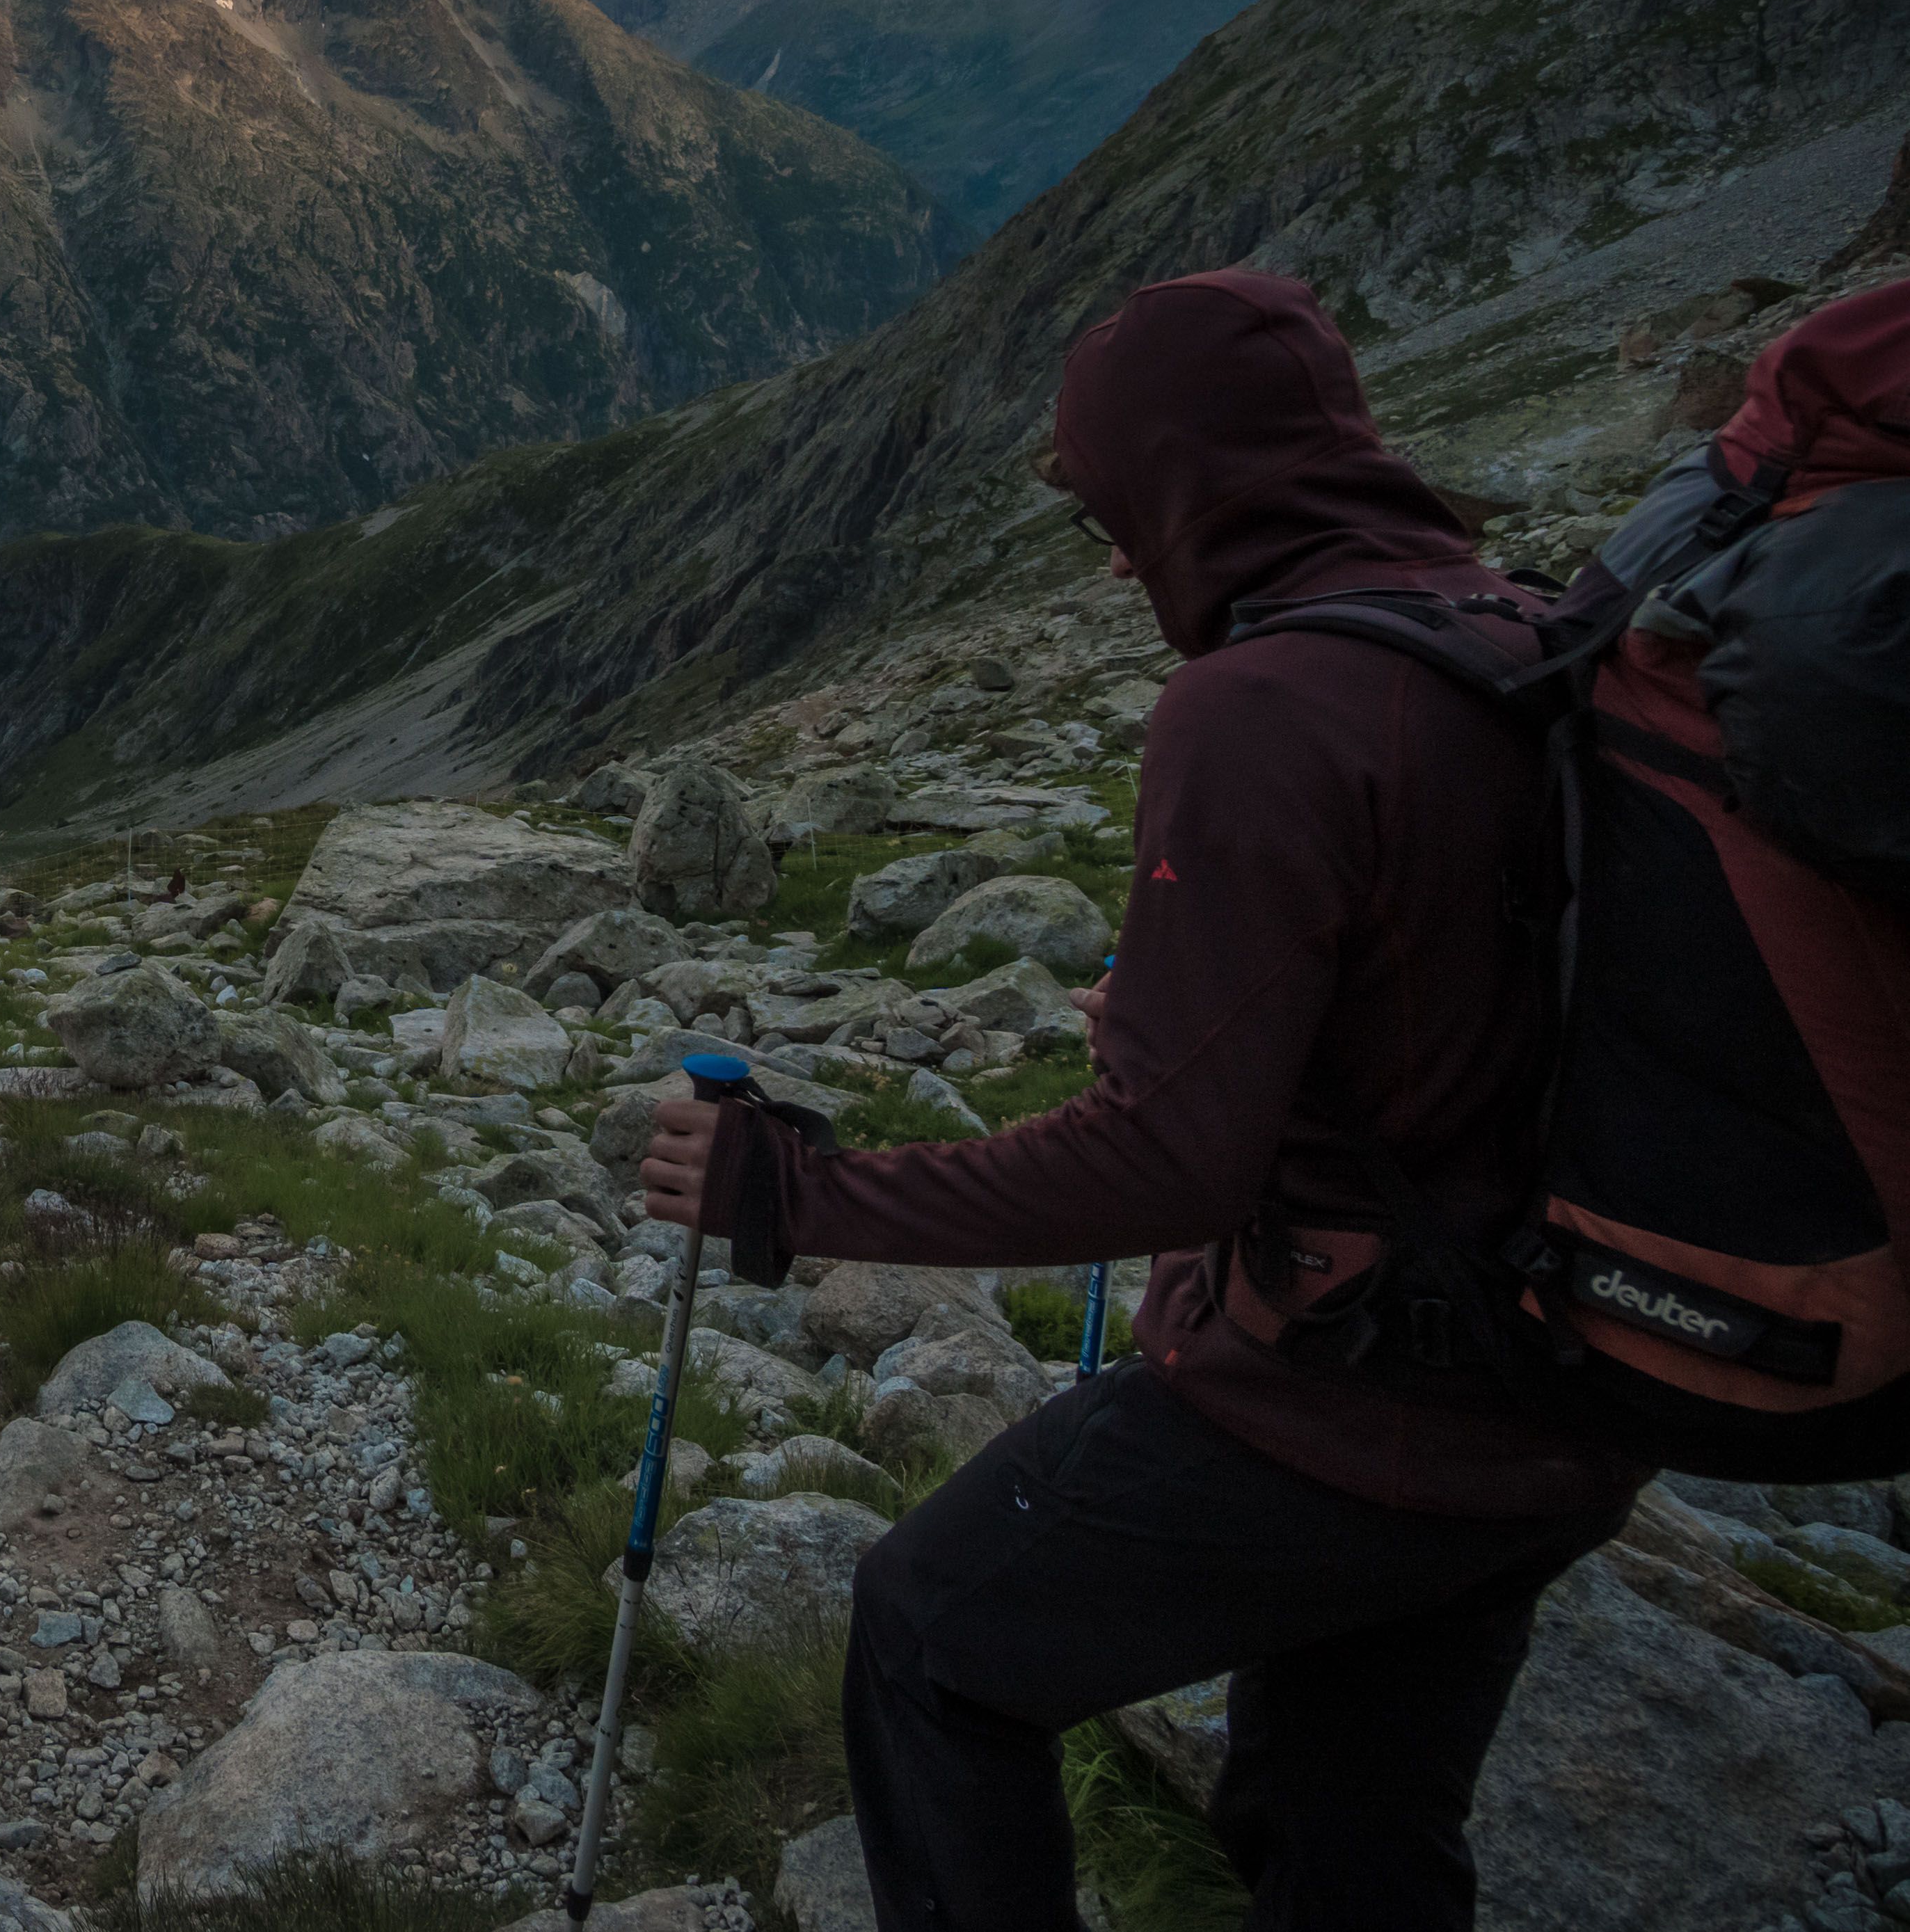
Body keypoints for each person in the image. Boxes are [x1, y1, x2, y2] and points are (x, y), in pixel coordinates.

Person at [645, 269, 1650, 1929]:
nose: (1118, 558)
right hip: (1559, 1393)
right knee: (1350, 1821)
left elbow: (1167, 1164)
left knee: (927, 1633)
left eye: (1123, 509)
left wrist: (792, 1188)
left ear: (1200, 483)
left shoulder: (1258, 708)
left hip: (1350, 1405)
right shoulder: (1510, 631)